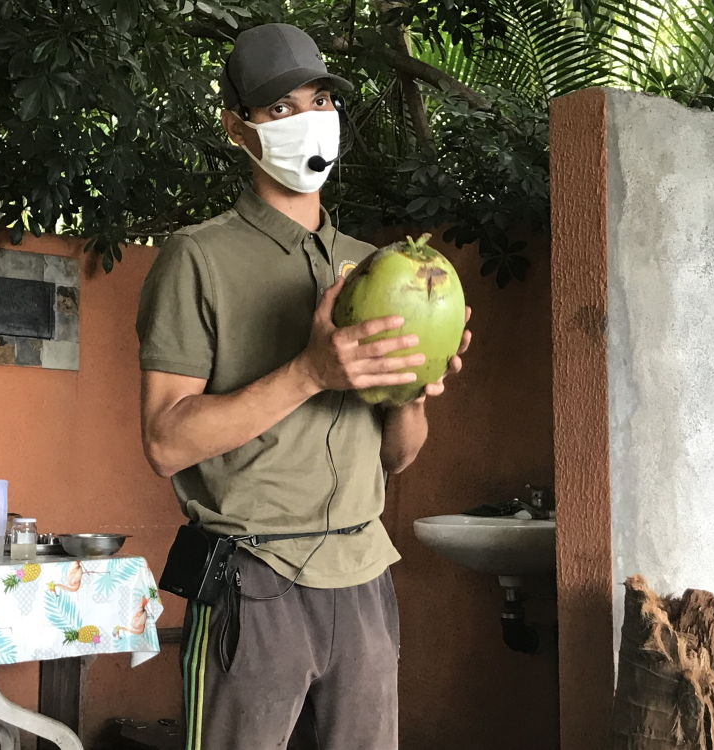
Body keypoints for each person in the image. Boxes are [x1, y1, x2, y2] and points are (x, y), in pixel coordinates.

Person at [136, 22, 471, 750]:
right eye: (279, 109)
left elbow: (397, 456)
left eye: (319, 100)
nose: (308, 121)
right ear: (237, 129)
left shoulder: (375, 266)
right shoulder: (198, 258)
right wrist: (311, 371)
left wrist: (413, 391)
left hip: (363, 575)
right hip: (254, 580)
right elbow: (165, 442)